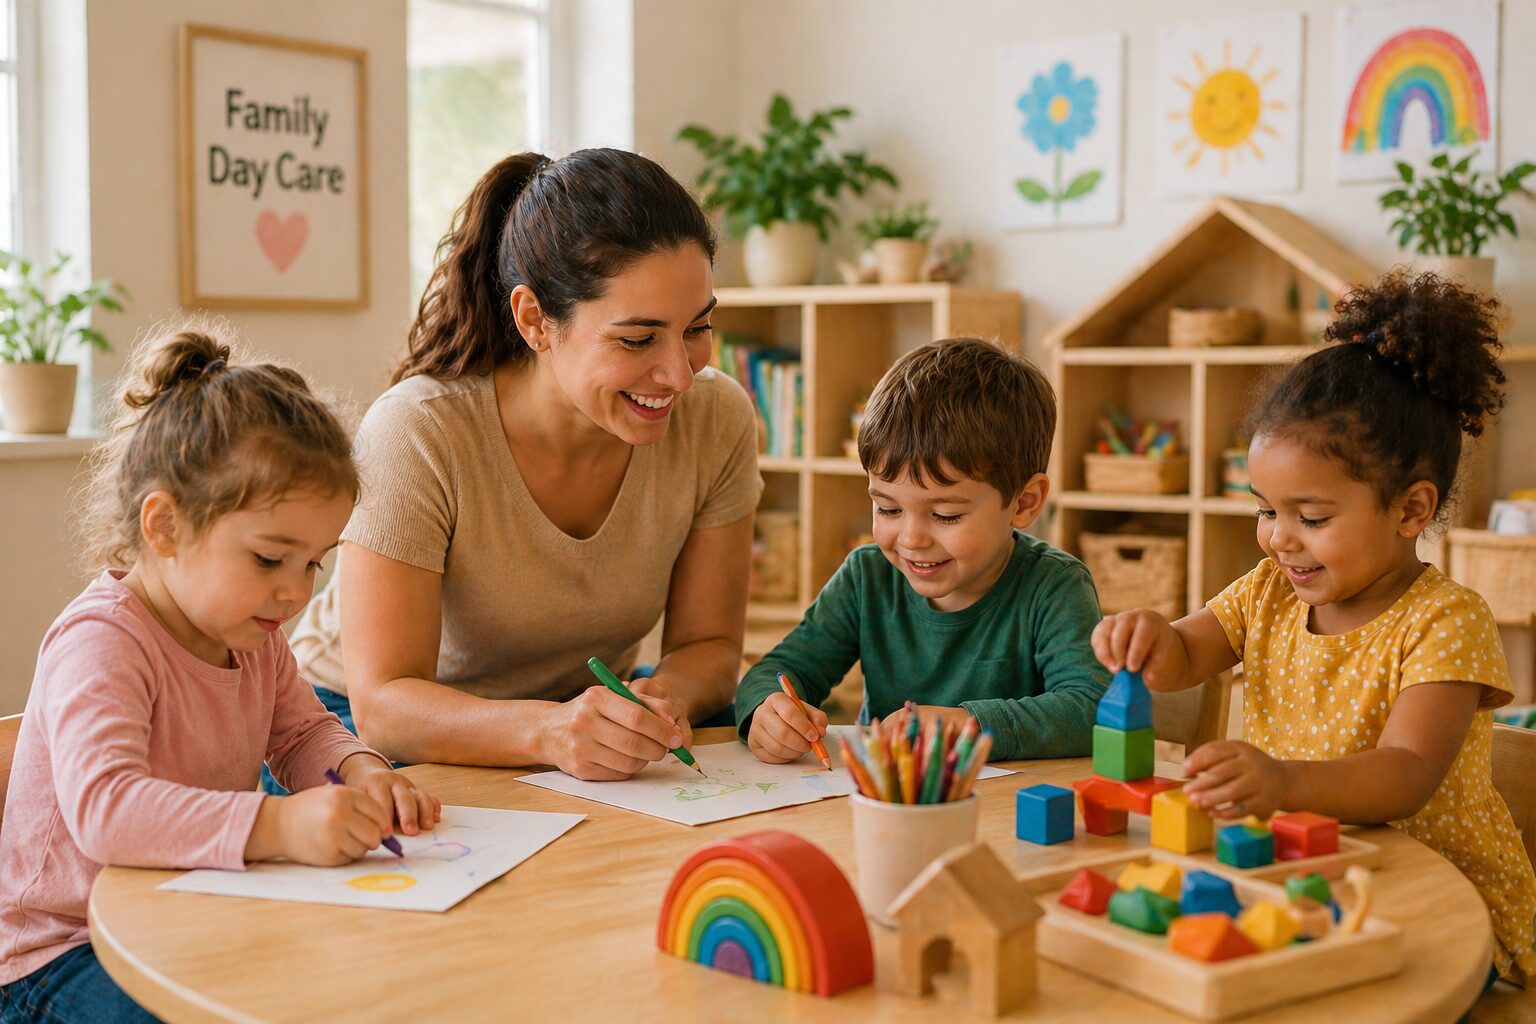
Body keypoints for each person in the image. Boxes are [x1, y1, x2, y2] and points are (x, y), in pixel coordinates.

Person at [1093, 270, 1536, 986]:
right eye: (1266, 510)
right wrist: (1147, 637)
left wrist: (1281, 780)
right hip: (1306, 872)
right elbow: (1182, 656)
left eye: (1313, 517)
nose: (1279, 539)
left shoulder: (1447, 621)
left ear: (1410, 510)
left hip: (1442, 906)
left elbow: (1407, 776)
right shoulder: (1269, 591)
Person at [0, 327, 438, 1023]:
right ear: (164, 527)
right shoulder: (103, 641)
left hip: (187, 909)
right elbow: (107, 812)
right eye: (270, 559)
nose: (296, 592)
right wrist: (281, 825)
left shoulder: (249, 631)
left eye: (313, 563)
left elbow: (300, 735)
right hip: (61, 955)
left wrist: (359, 769)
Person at [288, 149, 762, 781]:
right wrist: (549, 730)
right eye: (637, 339)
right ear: (535, 320)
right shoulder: (420, 432)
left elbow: (709, 647)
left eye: (697, 327)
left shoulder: (717, 418)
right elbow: (385, 705)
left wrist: (666, 697)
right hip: (347, 725)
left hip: (564, 718)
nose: (680, 374)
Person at [735, 337, 1107, 763]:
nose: (910, 539)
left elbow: (1091, 708)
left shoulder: (1054, 586)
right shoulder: (867, 576)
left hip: (1010, 819)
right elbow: (778, 671)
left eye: (946, 515)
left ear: (1023, 503)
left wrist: (966, 727)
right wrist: (768, 710)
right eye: (887, 508)